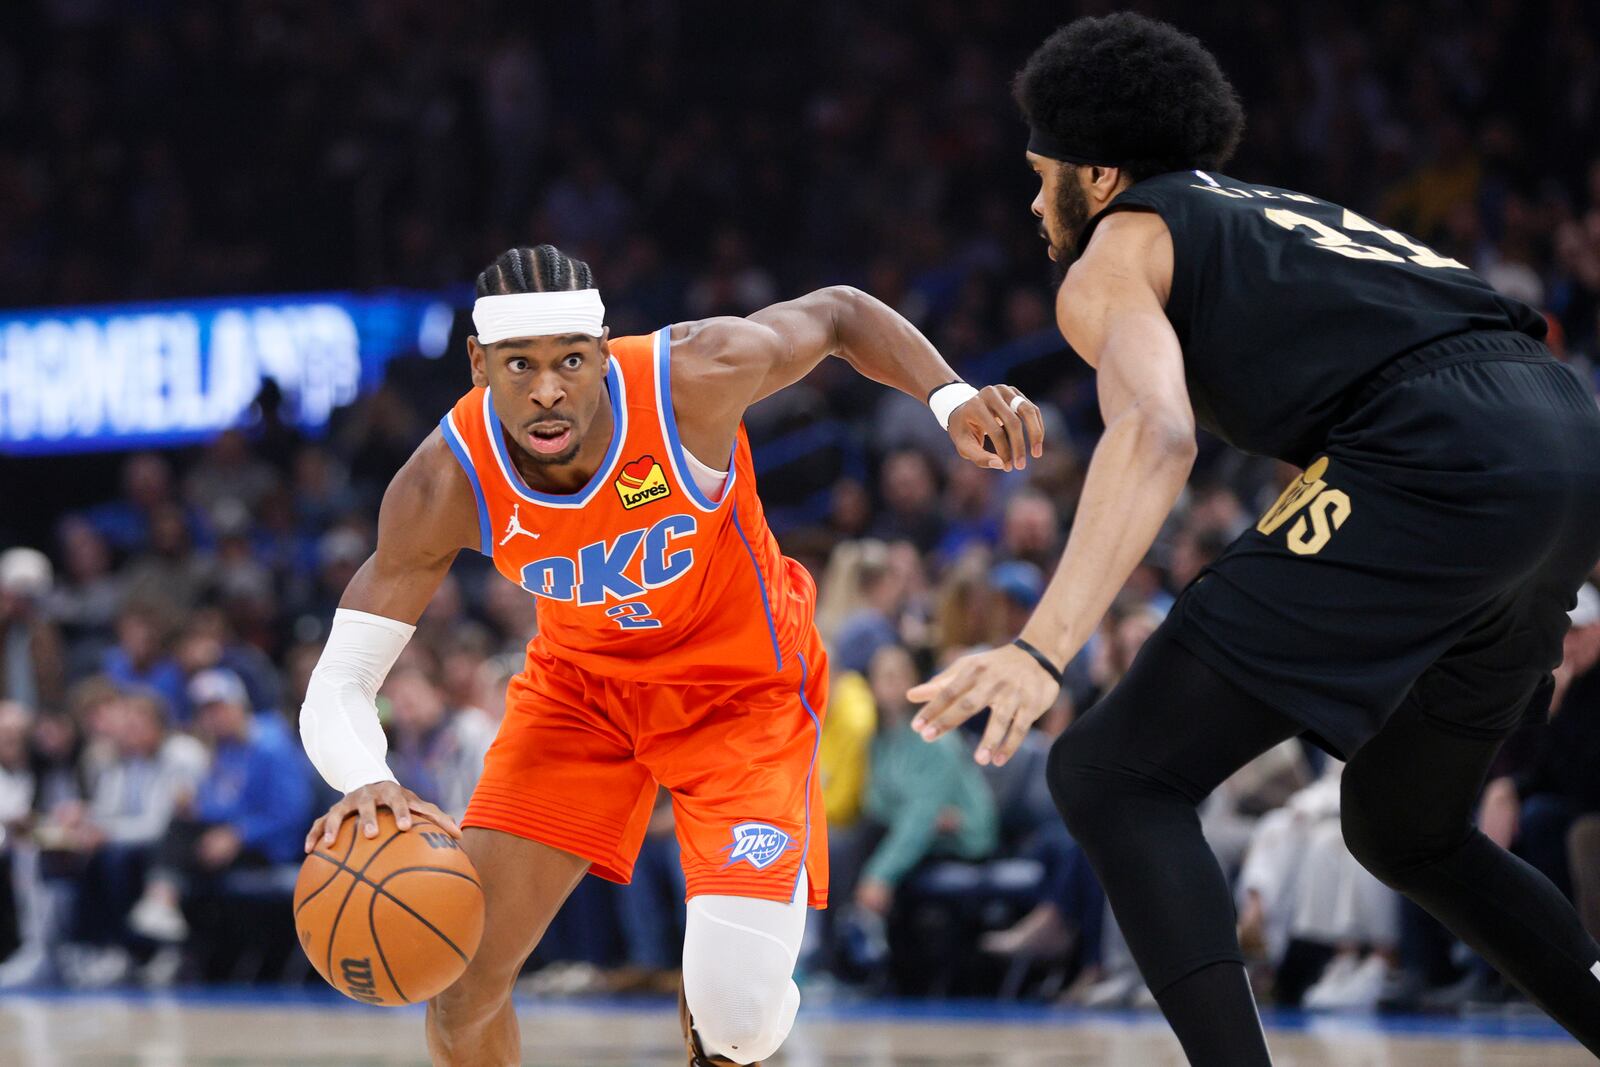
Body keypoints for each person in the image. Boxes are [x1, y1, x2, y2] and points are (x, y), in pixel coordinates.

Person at [909, 13, 1600, 1065]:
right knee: (1405, 823)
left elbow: (1157, 429)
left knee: (1111, 771)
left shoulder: (1113, 250)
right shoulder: (1280, 213)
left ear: (1095, 176)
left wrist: (1039, 647)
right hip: (1561, 432)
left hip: (1431, 447)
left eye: (1038, 173)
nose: (1030, 199)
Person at [296, 244, 1042, 1067]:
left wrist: (952, 397)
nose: (547, 390)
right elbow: (340, 679)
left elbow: (837, 312)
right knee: (464, 980)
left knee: (739, 1023)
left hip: (741, 694)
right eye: (519, 366)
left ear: (605, 349)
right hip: (581, 699)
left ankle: (718, 997)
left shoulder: (691, 377)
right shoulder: (443, 479)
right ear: (478, 362)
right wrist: (366, 776)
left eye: (571, 361)